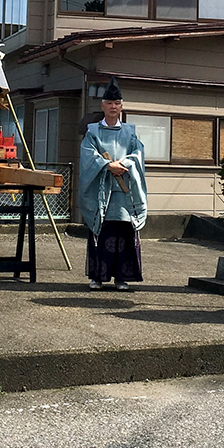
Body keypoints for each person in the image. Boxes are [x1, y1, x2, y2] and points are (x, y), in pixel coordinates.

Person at [77, 79, 147, 291]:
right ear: (103, 106)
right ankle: (97, 278)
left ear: (121, 106)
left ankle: (121, 278)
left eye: (117, 103)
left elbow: (138, 154)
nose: (113, 107)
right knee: (101, 232)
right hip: (101, 191)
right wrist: (107, 165)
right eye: (109, 103)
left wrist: (123, 164)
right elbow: (88, 155)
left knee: (124, 233)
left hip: (124, 194)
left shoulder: (130, 132)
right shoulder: (93, 132)